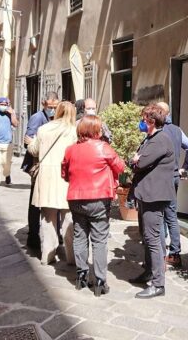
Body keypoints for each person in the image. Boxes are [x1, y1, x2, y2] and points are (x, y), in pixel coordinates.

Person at [61, 115, 125, 297]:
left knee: (80, 236)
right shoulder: (103, 147)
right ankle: (99, 281)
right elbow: (120, 167)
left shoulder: (70, 150)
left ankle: (81, 277)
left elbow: (64, 174)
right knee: (99, 240)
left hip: (76, 198)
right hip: (98, 199)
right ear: (96, 130)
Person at [128, 104, 176, 299]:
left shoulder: (160, 140)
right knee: (148, 237)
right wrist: (134, 160)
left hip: (154, 196)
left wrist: (134, 160)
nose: (141, 122)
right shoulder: (151, 138)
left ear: (152, 121)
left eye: (144, 119)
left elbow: (140, 163)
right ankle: (149, 272)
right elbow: (137, 161)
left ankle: (158, 284)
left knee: (153, 238)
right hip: (147, 194)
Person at [28, 102, 77, 264]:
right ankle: (72, 257)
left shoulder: (44, 129)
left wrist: (30, 142)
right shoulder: (73, 131)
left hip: (46, 176)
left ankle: (47, 255)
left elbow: (34, 150)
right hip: (66, 177)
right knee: (68, 217)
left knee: (48, 218)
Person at [156, 102, 188, 268]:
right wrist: (184, 168)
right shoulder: (177, 130)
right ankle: (175, 253)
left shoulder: (157, 131)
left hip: (159, 178)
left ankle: (160, 255)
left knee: (159, 214)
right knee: (171, 215)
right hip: (173, 177)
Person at [22, 92, 60, 250]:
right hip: (39, 166)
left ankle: (56, 234)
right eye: (50, 106)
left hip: (53, 166)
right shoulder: (37, 118)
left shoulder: (57, 119)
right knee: (35, 201)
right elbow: (28, 142)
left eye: (55, 107)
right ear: (44, 103)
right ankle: (33, 235)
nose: (52, 109)